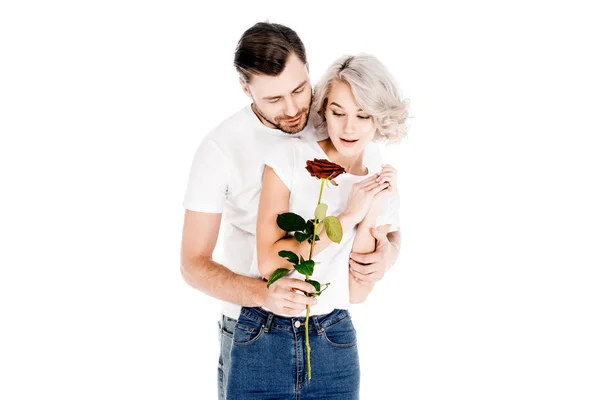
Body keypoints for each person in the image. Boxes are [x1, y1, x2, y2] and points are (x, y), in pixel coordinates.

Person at [180, 23, 402, 399]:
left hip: (329, 324)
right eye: (274, 99)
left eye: (299, 89)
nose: (294, 108)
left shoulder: (338, 120)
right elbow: (192, 263)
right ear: (245, 88)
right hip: (252, 326)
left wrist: (389, 253)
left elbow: (380, 216)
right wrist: (263, 294)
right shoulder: (220, 149)